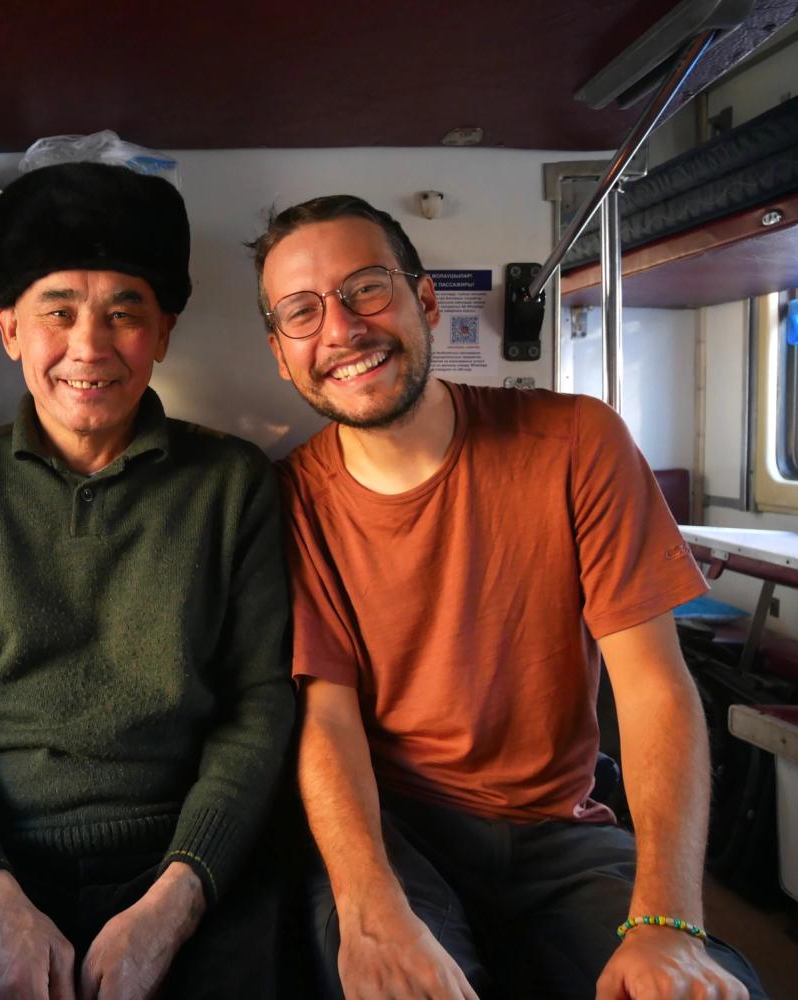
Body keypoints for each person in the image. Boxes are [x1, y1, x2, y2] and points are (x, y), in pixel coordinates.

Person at [250, 195, 766, 999]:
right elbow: (326, 715)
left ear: (425, 302)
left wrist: (667, 923)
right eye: (302, 312)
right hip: (391, 828)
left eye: (366, 290)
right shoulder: (289, 501)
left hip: (559, 830)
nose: (342, 330)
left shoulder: (577, 444)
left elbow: (653, 684)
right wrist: (369, 906)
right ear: (283, 355)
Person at [0, 162, 294, 999]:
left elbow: (260, 707)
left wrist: (175, 902)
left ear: (165, 331)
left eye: (125, 313)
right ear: (9, 329)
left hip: (189, 862)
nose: (89, 346)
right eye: (58, 313)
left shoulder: (232, 483)